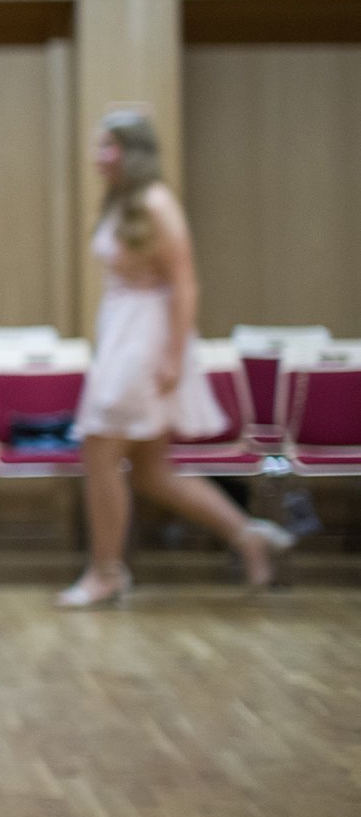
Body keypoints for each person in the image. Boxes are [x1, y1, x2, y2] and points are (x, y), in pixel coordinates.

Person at [58, 109, 293, 608]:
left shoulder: (157, 203)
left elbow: (185, 284)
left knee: (99, 453)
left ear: (133, 152)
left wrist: (171, 357)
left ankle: (105, 571)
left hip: (143, 345)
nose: (99, 156)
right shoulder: (123, 202)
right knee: (150, 470)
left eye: (109, 146)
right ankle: (249, 534)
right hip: (123, 334)